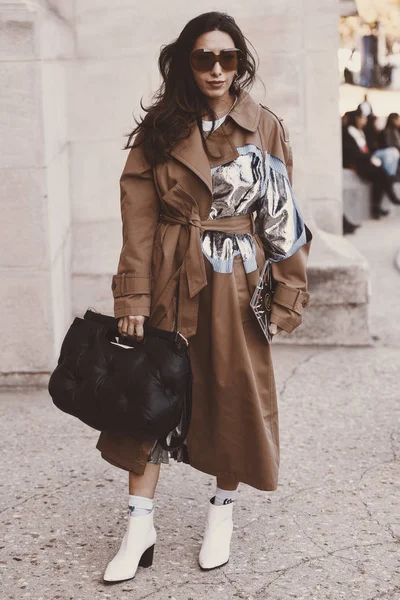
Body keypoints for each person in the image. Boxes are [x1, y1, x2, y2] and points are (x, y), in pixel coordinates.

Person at [96, 11, 313, 583]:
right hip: (171, 270)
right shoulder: (160, 130)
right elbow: (136, 220)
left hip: (235, 276)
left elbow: (282, 217)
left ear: (240, 62)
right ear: (184, 64)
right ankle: (140, 524)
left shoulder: (262, 125)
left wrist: (290, 286)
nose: (217, 69)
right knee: (146, 393)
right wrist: (133, 297)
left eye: (228, 58)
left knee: (230, 390)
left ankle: (223, 509)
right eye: (204, 58)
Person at [343, 108, 400, 218]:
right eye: (362, 118)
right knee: (382, 173)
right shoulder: (349, 132)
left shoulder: (359, 132)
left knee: (382, 174)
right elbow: (353, 153)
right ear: (356, 119)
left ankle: (379, 206)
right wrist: (369, 157)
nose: (364, 120)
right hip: (358, 162)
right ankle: (389, 197)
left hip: (365, 159)